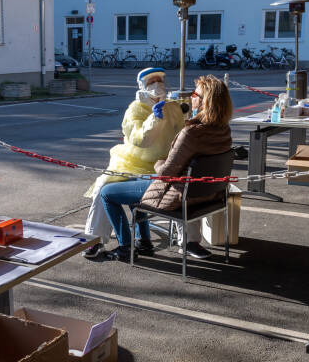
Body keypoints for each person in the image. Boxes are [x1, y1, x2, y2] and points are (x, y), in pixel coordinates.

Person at [98, 74, 233, 261]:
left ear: (204, 103)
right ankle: (144, 241)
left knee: (107, 192)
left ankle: (125, 248)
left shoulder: (191, 133)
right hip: (209, 195)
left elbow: (166, 173)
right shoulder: (224, 129)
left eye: (195, 94)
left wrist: (158, 162)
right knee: (133, 182)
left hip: (175, 194)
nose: (191, 97)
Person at [82, 67, 185, 259]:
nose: (157, 85)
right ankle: (95, 240)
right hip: (132, 162)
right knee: (102, 186)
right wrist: (154, 118)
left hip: (159, 167)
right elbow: (140, 140)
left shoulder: (173, 107)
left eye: (159, 80)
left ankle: (139, 242)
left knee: (115, 194)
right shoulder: (135, 109)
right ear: (142, 86)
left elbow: (181, 135)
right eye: (151, 82)